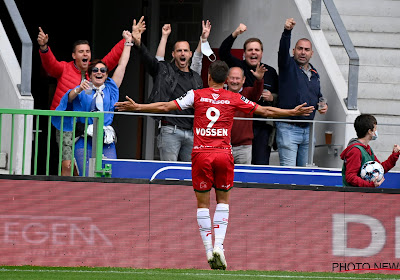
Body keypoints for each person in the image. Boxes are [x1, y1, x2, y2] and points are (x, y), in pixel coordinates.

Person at [115, 60, 314, 270]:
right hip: (223, 154)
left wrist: (138, 106)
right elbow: (265, 112)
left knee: (202, 204)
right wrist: (292, 112)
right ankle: (219, 245)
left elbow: (166, 106)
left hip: (201, 154)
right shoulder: (234, 97)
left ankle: (209, 250)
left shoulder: (196, 95)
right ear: (227, 80)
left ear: (208, 77)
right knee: (223, 202)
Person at [37, 25, 127, 176]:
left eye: (87, 51)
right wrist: (44, 47)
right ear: (74, 55)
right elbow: (50, 65)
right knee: (67, 164)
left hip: (88, 125)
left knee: (84, 165)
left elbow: (113, 58)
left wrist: (126, 41)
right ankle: (66, 195)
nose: (85, 54)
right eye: (81, 52)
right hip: (66, 123)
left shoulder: (95, 71)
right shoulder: (64, 68)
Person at [132, 19, 205, 162]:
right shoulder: (165, 70)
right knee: (169, 174)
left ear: (190, 54)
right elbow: (151, 61)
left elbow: (198, 59)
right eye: (179, 51)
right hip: (170, 130)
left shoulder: (196, 77)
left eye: (185, 50)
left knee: (189, 176)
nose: (182, 53)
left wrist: (203, 38)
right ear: (173, 54)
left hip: (191, 133)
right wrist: (139, 43)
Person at [219, 23, 279, 165]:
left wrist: (273, 97)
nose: (253, 53)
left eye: (257, 50)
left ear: (261, 53)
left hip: (262, 126)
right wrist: (235, 33)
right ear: (244, 53)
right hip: (241, 125)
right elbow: (223, 52)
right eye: (250, 50)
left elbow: (280, 95)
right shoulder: (238, 67)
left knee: (260, 164)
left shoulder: (270, 72)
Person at [276, 18, 328, 166]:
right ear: (294, 51)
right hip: (288, 128)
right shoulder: (287, 65)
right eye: (299, 49)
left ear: (312, 53)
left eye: (306, 50)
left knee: (305, 174)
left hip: (308, 129)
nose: (303, 52)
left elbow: (317, 95)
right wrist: (287, 32)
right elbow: (282, 50)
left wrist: (322, 104)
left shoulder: (314, 72)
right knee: (289, 175)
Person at [340, 114, 400, 187]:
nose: (376, 131)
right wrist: (369, 185)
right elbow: (350, 177)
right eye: (375, 129)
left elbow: (380, 169)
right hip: (353, 195)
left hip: (363, 195)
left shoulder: (367, 149)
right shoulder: (355, 150)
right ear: (369, 131)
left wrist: (394, 155)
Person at [228, 65, 265, 164]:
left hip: (243, 147)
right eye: (232, 78)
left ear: (243, 80)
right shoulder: (222, 94)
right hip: (224, 147)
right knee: (224, 178)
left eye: (238, 78)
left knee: (243, 178)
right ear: (227, 79)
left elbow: (257, 92)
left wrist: (259, 79)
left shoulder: (248, 93)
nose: (235, 81)